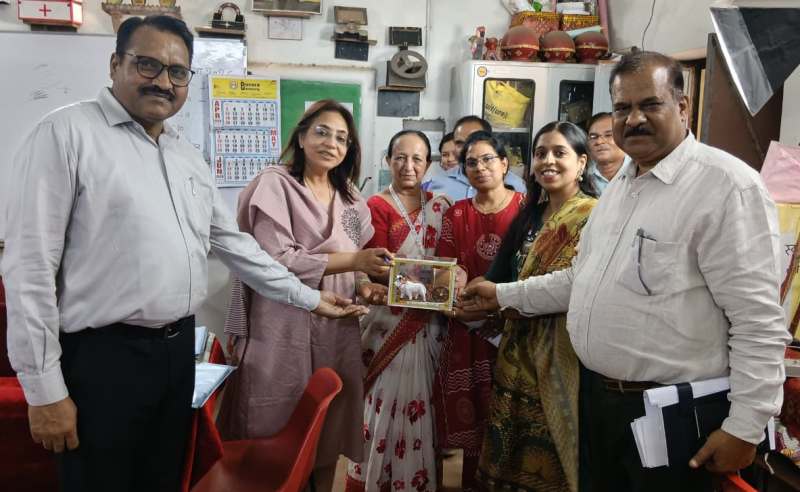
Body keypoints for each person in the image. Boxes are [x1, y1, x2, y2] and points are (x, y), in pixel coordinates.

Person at [1, 16, 364, 492]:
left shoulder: (185, 155)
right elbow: (30, 269)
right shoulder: (66, 135)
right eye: (147, 64)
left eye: (177, 72)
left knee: (165, 479)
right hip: (103, 359)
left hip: (176, 355)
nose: (163, 81)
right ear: (115, 64)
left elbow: (237, 246)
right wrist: (44, 389)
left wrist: (312, 299)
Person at [462, 50, 790, 491]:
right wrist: (502, 295)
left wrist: (745, 427)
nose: (634, 119)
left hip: (671, 414)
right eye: (622, 108)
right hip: (599, 403)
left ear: (682, 106)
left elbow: (758, 321)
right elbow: (580, 279)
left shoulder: (726, 186)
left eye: (650, 104)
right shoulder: (620, 186)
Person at [216, 99, 390, 491]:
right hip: (280, 321)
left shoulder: (350, 198)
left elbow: (352, 264)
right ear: (301, 136)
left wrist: (365, 285)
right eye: (322, 132)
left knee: (328, 425)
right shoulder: (275, 184)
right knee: (274, 413)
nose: (331, 143)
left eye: (342, 138)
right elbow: (277, 259)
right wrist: (355, 260)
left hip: (337, 325)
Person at [476, 121, 597, 492]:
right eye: (540, 153)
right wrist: (467, 298)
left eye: (560, 152)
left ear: (581, 162)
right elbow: (498, 278)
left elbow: (576, 286)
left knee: (552, 447)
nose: (548, 161)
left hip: (561, 354)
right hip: (516, 352)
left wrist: (498, 294)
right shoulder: (528, 216)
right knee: (511, 444)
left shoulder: (593, 215)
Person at [346, 130, 452, 492]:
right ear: (388, 161)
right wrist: (433, 286)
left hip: (430, 326)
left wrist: (444, 284)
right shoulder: (373, 206)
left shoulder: (441, 206)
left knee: (424, 406)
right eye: (400, 158)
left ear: (429, 163)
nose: (408, 166)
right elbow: (369, 265)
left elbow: (449, 261)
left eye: (417, 158)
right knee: (380, 407)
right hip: (385, 324)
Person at [433, 131, 525, 492]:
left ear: (504, 164)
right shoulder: (456, 213)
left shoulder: (526, 208)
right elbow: (446, 266)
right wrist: (455, 301)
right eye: (471, 162)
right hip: (467, 328)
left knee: (513, 415)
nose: (480, 167)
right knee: (473, 415)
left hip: (514, 328)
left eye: (488, 159)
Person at [422, 116, 527, 200]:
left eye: (474, 141)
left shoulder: (517, 186)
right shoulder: (437, 183)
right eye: (459, 143)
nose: (467, 148)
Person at [586, 111, 630, 194]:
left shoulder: (640, 171)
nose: (599, 141)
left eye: (608, 135)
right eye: (593, 137)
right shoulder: (582, 175)